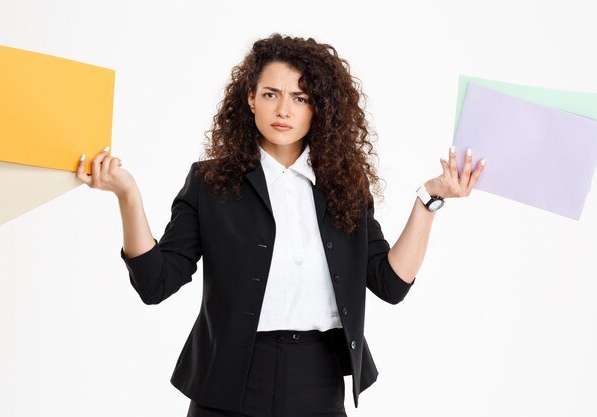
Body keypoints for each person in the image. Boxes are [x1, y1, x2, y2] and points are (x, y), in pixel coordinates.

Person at [76, 34, 484, 417]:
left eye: (300, 97)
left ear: (317, 107)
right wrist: (127, 194)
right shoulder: (210, 182)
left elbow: (390, 284)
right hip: (229, 382)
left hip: (319, 379)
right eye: (271, 94)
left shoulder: (345, 187)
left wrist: (430, 199)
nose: (284, 110)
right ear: (251, 99)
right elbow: (155, 283)